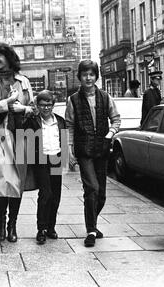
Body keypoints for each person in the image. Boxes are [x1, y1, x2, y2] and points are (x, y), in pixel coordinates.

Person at [0, 42, 35, 243]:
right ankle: (1, 221)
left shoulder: (23, 81)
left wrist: (24, 109)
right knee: (3, 180)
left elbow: (34, 108)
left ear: (9, 57)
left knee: (17, 180)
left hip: (21, 134)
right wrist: (8, 103)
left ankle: (13, 223)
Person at [65, 60, 121, 248]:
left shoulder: (105, 97)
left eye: (91, 74)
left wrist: (110, 134)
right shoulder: (72, 100)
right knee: (92, 189)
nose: (88, 78)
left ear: (96, 76)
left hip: (102, 149)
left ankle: (93, 223)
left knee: (102, 195)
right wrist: (70, 150)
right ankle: (91, 230)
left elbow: (115, 119)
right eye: (84, 74)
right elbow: (69, 125)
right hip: (84, 150)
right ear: (79, 77)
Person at [24, 90, 66, 245]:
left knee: (56, 195)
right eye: (42, 105)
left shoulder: (60, 121)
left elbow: (64, 140)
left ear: (53, 105)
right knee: (45, 194)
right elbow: (26, 140)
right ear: (37, 106)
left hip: (56, 159)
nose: (46, 108)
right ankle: (41, 229)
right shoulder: (33, 121)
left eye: (49, 105)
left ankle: (51, 227)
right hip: (41, 160)